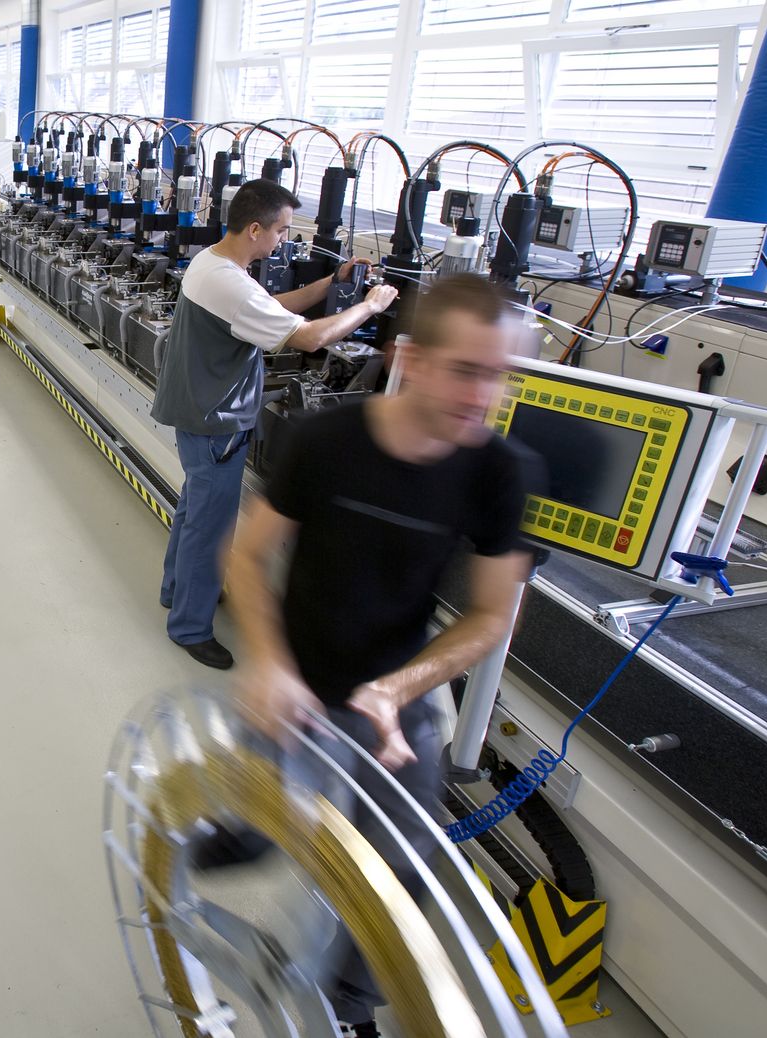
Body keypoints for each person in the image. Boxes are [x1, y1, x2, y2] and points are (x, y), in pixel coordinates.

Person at [224, 273, 537, 1038]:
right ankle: (248, 827)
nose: (484, 396)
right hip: (297, 680)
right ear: (410, 358)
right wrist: (268, 664)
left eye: (501, 376)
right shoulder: (326, 443)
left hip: (396, 697)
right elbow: (247, 557)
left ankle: (346, 1005)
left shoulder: (499, 472)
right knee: (258, 826)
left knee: (401, 869)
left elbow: (492, 613)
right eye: (467, 371)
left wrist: (399, 689)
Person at [150, 179, 398, 669]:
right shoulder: (231, 284)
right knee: (210, 526)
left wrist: (331, 283)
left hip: (197, 412)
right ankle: (190, 627)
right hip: (217, 420)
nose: (284, 239)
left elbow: (272, 309)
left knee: (195, 511)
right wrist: (370, 306)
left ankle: (177, 590)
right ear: (255, 229)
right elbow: (309, 339)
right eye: (281, 230)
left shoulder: (213, 264)